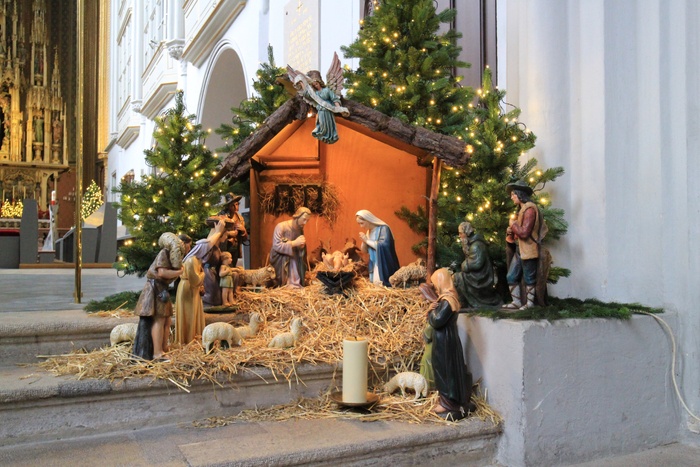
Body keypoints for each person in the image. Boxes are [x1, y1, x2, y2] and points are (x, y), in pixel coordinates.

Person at [132, 232, 191, 361]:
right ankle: (157, 352)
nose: (189, 249)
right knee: (159, 320)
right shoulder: (165, 253)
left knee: (167, 320)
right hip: (155, 288)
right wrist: (179, 272)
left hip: (162, 288)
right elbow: (162, 272)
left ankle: (163, 347)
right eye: (189, 245)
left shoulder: (174, 257)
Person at [426, 268, 475, 421]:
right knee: (442, 369)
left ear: (441, 282)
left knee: (445, 370)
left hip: (445, 342)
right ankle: (446, 400)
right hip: (445, 340)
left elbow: (437, 321)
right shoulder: (445, 300)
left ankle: (448, 403)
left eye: (436, 284)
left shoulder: (448, 301)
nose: (435, 288)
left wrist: (430, 311)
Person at [175, 220, 226, 345]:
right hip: (188, 289)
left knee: (191, 312)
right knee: (189, 314)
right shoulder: (191, 259)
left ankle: (192, 336)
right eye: (188, 245)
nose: (189, 248)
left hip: (189, 288)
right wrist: (203, 273)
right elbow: (195, 280)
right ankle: (189, 338)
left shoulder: (190, 257)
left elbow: (207, 244)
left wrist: (217, 232)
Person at [502, 180, 548, 310]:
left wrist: (513, 225)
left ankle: (530, 304)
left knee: (529, 277)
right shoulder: (522, 210)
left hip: (528, 249)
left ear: (520, 194)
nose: (511, 197)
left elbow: (524, 233)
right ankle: (516, 302)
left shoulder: (529, 210)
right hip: (519, 249)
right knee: (511, 276)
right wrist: (511, 231)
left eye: (513, 194)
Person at [202, 193, 247, 306]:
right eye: (233, 205)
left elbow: (245, 238)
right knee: (222, 269)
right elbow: (217, 231)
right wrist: (228, 233)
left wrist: (243, 231)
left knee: (232, 269)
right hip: (224, 247)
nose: (236, 207)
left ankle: (232, 292)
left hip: (234, 248)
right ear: (228, 206)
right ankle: (222, 295)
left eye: (237, 204)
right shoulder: (222, 216)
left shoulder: (240, 218)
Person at [452, 221, 502, 309]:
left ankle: (466, 303)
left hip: (481, 278)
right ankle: (464, 303)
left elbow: (476, 264)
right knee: (457, 277)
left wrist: (465, 265)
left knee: (457, 278)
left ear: (467, 233)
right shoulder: (472, 244)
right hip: (476, 275)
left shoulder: (476, 246)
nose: (459, 236)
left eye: (461, 233)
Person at [269, 206, 311, 288]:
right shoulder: (281, 226)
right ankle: (287, 283)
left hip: (294, 259)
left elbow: (299, 249)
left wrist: (301, 247)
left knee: (296, 267)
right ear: (297, 216)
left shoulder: (300, 230)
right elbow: (276, 245)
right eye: (304, 219)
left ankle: (294, 283)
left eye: (307, 220)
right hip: (281, 260)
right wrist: (294, 243)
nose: (305, 223)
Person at [356, 209, 400, 287]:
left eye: (362, 223)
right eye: (359, 224)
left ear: (368, 220)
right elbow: (364, 251)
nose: (361, 226)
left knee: (380, 283)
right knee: (375, 283)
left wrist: (367, 240)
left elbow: (385, 245)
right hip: (374, 263)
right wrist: (364, 241)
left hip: (383, 263)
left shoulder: (384, 229)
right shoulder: (369, 232)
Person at [306, 70, 342, 144]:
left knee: (329, 123)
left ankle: (331, 136)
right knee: (322, 123)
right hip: (321, 110)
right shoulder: (316, 93)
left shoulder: (327, 90)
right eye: (314, 85)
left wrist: (338, 107)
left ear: (319, 83)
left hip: (328, 109)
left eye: (316, 84)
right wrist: (302, 83)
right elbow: (308, 95)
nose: (316, 86)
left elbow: (334, 98)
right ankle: (323, 135)